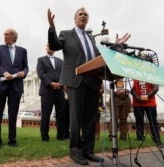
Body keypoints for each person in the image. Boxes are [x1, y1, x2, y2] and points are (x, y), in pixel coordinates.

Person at [47, 7, 131, 165]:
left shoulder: (91, 38)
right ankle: (75, 152)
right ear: (75, 18)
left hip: (92, 82)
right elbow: (55, 45)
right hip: (75, 80)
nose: (83, 16)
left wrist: (114, 46)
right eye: (80, 14)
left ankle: (88, 151)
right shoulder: (66, 34)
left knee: (90, 119)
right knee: (76, 119)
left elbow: (97, 57)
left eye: (86, 15)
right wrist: (52, 28)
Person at [0, 28, 29, 149]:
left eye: (8, 35)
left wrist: (24, 72)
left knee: (13, 115)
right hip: (0, 85)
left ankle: (12, 140)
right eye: (4, 34)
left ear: (14, 37)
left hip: (16, 86)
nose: (5, 36)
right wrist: (4, 73)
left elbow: (26, 67)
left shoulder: (23, 51)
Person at [131, 56, 164, 147]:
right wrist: (138, 97)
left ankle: (157, 139)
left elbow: (156, 87)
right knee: (139, 121)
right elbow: (131, 88)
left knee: (153, 121)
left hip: (150, 103)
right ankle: (139, 138)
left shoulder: (152, 73)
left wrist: (145, 97)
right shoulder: (134, 72)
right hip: (137, 102)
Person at [36, 44, 66, 142]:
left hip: (59, 90)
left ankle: (61, 136)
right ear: (46, 48)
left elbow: (63, 73)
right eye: (48, 45)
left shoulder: (60, 61)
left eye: (51, 45)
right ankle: (45, 137)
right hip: (47, 91)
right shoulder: (41, 60)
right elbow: (41, 73)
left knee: (61, 114)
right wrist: (50, 83)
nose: (49, 47)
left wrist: (60, 83)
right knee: (46, 114)